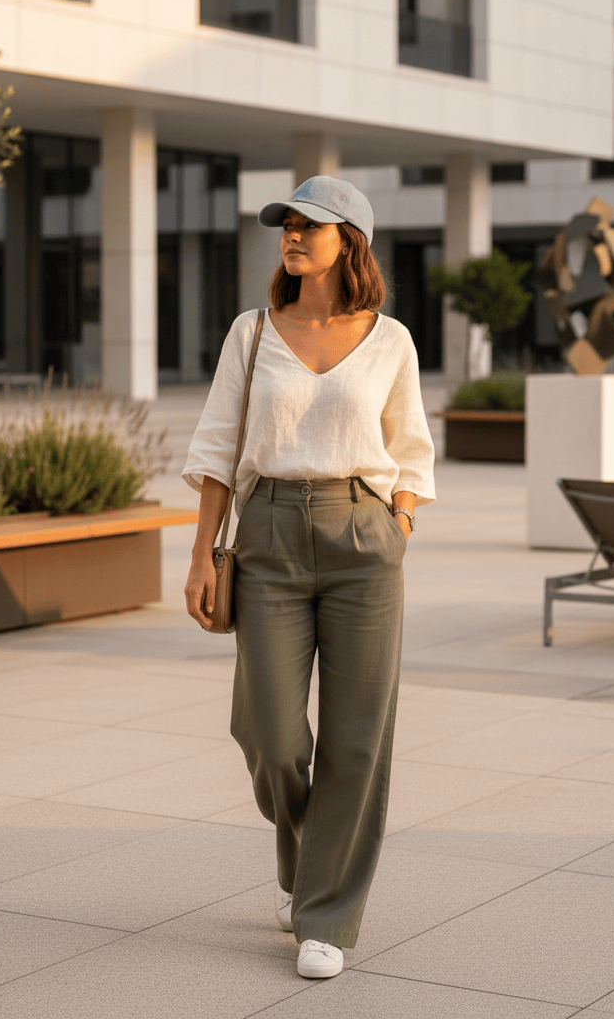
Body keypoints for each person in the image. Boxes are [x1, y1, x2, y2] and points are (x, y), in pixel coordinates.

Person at [182, 176, 435, 980]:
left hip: (364, 537)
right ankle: (309, 862)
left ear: (347, 241)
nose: (292, 236)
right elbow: (219, 446)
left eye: (309, 225)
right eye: (286, 224)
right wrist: (199, 555)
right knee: (271, 736)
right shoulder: (252, 332)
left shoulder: (390, 339)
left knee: (358, 739)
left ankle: (324, 912)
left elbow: (412, 448)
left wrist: (398, 518)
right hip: (267, 538)